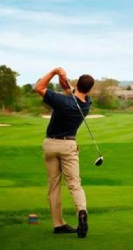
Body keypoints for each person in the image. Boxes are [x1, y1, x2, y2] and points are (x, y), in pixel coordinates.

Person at [34, 67, 95, 238]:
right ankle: (81, 212)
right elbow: (68, 90)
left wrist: (54, 72)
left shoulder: (61, 101)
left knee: (54, 186)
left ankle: (58, 224)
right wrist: (64, 78)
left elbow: (38, 87)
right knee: (74, 184)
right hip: (69, 145)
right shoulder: (86, 104)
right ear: (89, 90)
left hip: (50, 145)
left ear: (77, 84)